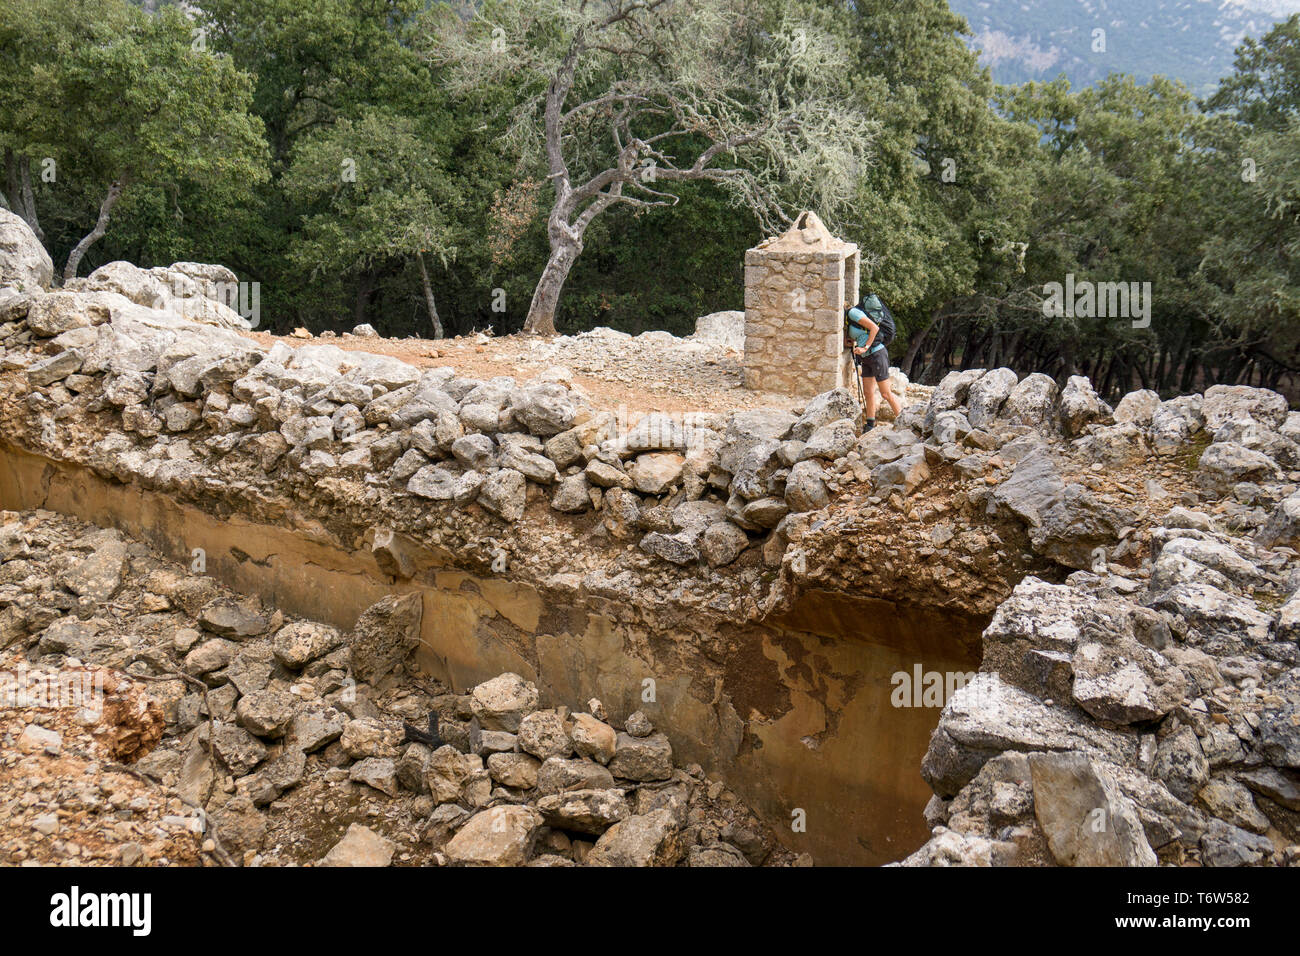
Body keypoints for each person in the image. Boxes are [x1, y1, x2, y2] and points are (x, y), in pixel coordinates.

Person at [846, 293, 902, 431]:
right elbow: (861, 333)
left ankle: (904, 421)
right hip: (866, 358)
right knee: (868, 392)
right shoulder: (850, 319)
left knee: (885, 393)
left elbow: (874, 328)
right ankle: (870, 425)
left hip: (877, 354)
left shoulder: (853, 313)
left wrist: (865, 347)